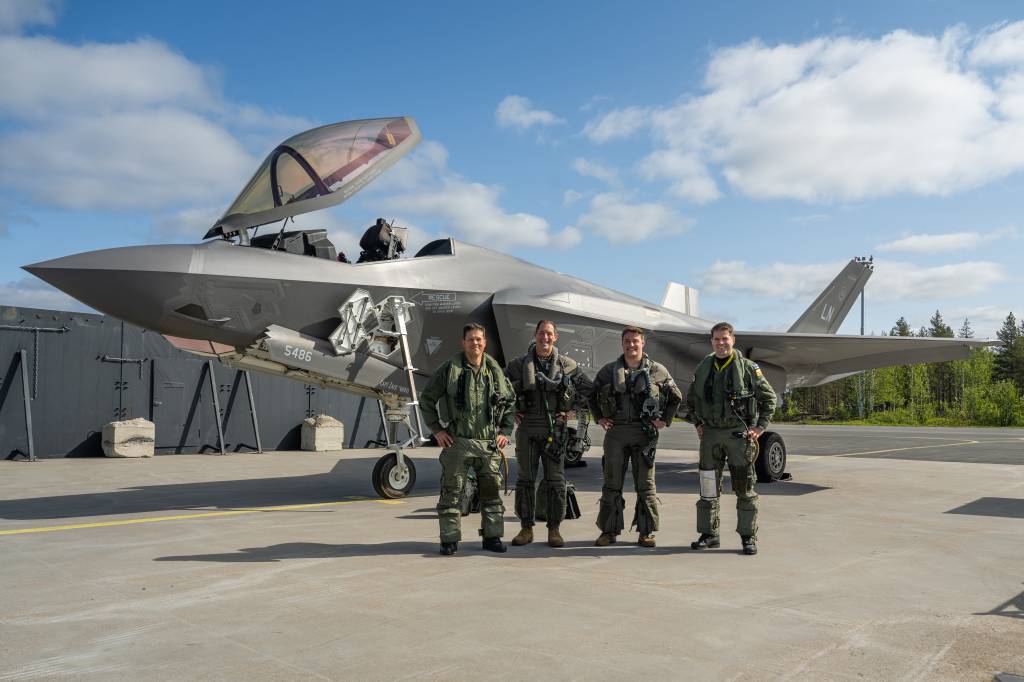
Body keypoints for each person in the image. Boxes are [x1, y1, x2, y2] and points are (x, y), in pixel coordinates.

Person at [419, 323, 516, 556]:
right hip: (458, 441)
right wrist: (436, 430)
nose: (476, 343)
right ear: (463, 343)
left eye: (479, 339)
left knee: (492, 493)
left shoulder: (494, 372)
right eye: (471, 339)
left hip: (488, 442)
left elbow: (510, 401)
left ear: (485, 343)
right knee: (452, 492)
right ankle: (449, 540)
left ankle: (492, 538)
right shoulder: (449, 369)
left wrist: (505, 431)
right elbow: (427, 398)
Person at [685, 321, 777, 556]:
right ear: (711, 342)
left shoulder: (748, 368)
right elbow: (692, 400)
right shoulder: (703, 368)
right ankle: (709, 534)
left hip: (739, 433)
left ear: (733, 340)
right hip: (710, 435)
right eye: (716, 339)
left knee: (744, 486)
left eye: (725, 338)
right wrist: (697, 422)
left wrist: (760, 427)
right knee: (707, 486)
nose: (721, 343)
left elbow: (769, 398)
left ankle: (748, 537)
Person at [588, 326, 682, 548]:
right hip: (616, 433)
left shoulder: (657, 371)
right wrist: (599, 418)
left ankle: (646, 532)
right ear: (622, 344)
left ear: (643, 344)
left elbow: (676, 396)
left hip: (644, 434)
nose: (632, 345)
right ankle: (608, 531)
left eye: (635, 341)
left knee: (646, 485)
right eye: (627, 341)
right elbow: (591, 396)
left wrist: (665, 420)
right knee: (611, 483)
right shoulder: (609, 371)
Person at [505, 320, 590, 548]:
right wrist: (512, 412)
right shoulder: (518, 365)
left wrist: (572, 412)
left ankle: (554, 529)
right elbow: (499, 390)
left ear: (556, 337)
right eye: (541, 333)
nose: (545, 338)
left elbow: (589, 391)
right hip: (528, 429)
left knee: (556, 481)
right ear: (535, 335)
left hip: (555, 429)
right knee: (525, 480)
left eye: (549, 334)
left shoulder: (568, 365)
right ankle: (526, 529)